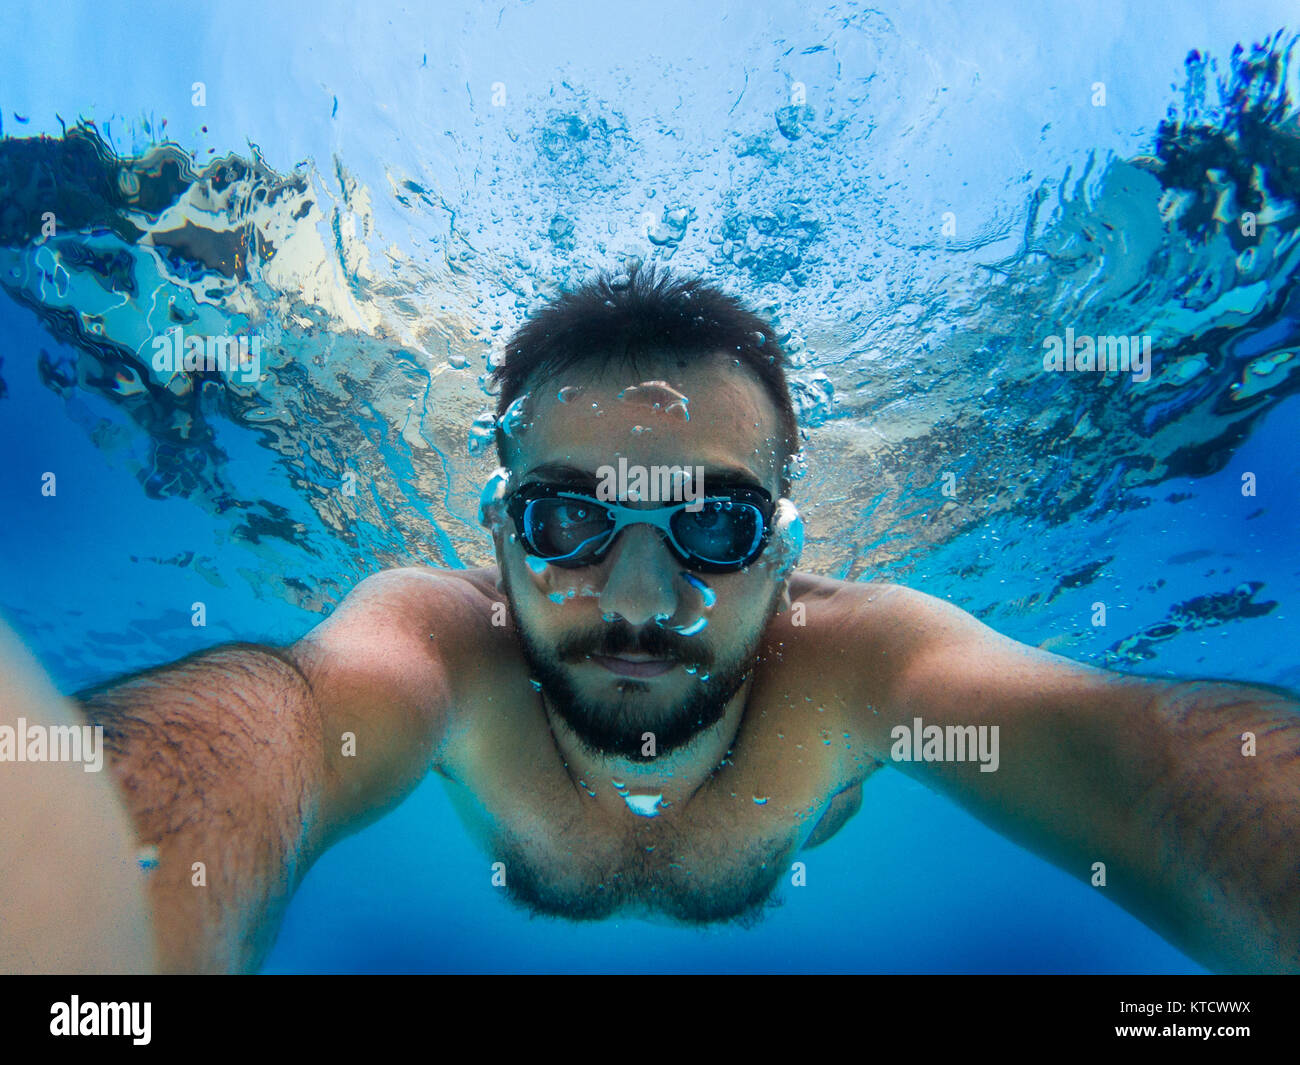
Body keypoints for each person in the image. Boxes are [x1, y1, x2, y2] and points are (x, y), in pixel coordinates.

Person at [18, 264, 1298, 974]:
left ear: (786, 547)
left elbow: (1147, 765)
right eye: (569, 520)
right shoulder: (436, 642)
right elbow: (280, 723)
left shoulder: (860, 657)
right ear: (497, 532)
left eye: (716, 525)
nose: (637, 598)